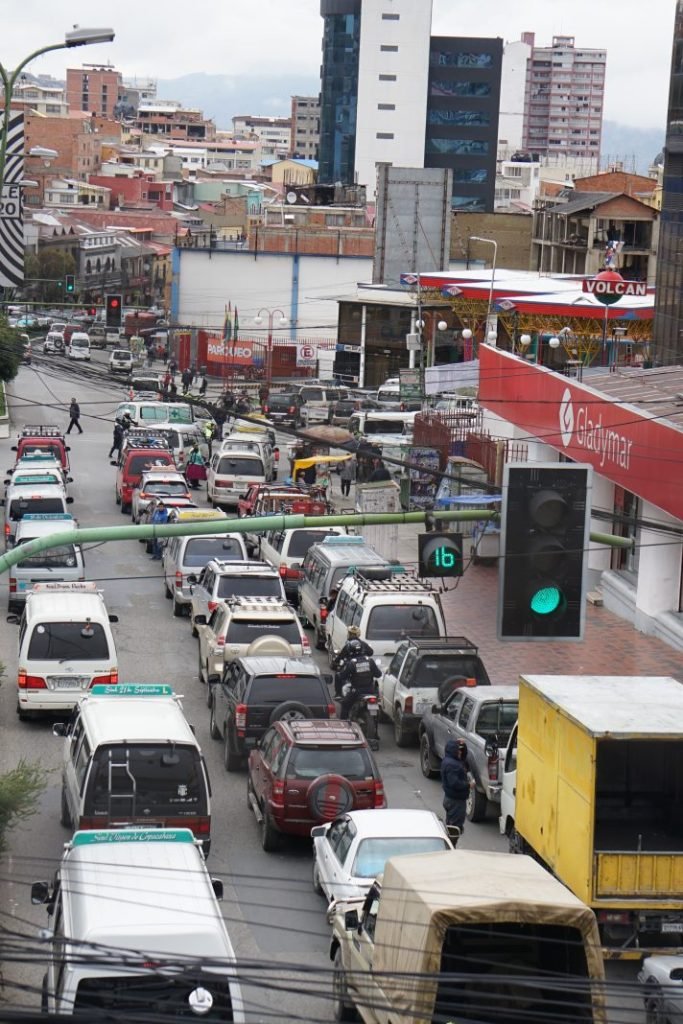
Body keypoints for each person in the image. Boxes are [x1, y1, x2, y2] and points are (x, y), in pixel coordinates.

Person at [331, 626, 380, 719]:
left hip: (357, 691)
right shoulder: (370, 661)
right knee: (377, 711)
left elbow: (342, 676)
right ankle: (375, 732)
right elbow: (379, 674)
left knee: (345, 705)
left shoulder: (352, 663)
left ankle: (345, 728)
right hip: (370, 690)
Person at [441, 738, 471, 833]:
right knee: (454, 829)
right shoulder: (452, 765)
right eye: (458, 750)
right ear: (454, 751)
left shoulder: (449, 760)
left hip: (451, 799)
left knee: (451, 825)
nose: (460, 752)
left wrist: (461, 744)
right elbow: (455, 783)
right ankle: (451, 846)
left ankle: (449, 844)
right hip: (455, 802)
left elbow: (463, 757)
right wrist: (469, 785)